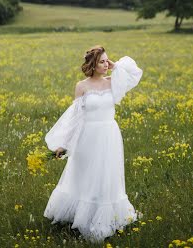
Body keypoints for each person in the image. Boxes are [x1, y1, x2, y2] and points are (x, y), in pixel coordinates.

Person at [43, 45, 143, 244]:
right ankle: (83, 216)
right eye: (102, 62)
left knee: (106, 176)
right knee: (86, 176)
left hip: (108, 135)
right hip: (87, 137)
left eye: (107, 61)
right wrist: (64, 144)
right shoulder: (82, 86)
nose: (106, 65)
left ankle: (104, 220)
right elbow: (75, 118)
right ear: (92, 64)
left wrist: (115, 66)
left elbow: (135, 73)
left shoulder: (113, 81)